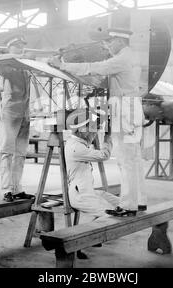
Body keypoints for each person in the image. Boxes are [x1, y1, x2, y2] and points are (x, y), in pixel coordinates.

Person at [50, 28, 147, 217]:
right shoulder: (132, 56)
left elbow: (95, 67)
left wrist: (62, 65)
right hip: (133, 107)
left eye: (109, 42)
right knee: (134, 159)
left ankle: (128, 206)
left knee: (125, 160)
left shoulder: (121, 59)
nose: (107, 46)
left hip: (124, 110)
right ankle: (139, 201)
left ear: (120, 40)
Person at [0, 36, 35, 202]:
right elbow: (1, 65)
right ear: (9, 47)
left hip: (24, 112)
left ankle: (17, 188)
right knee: (7, 150)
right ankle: (7, 190)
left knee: (20, 153)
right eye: (17, 46)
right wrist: (22, 58)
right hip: (10, 112)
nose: (20, 48)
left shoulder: (24, 65)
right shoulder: (2, 61)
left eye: (22, 45)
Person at [65, 108, 119, 219]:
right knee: (112, 215)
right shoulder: (76, 147)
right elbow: (104, 155)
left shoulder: (78, 143)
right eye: (92, 130)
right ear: (81, 130)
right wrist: (107, 136)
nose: (94, 134)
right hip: (81, 197)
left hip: (87, 192)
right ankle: (96, 234)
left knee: (122, 204)